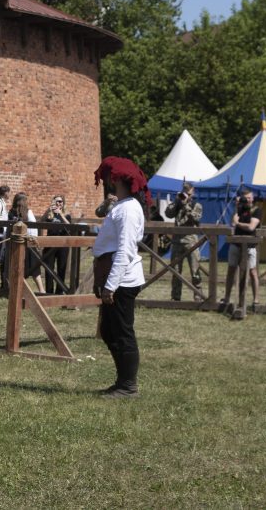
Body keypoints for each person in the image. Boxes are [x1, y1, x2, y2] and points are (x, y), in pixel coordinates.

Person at [92, 156, 149, 399]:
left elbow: (125, 250)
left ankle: (128, 386)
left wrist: (111, 286)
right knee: (109, 330)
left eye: (107, 177)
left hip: (122, 281)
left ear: (116, 179)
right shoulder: (123, 206)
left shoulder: (127, 210)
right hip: (115, 278)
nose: (105, 181)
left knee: (122, 332)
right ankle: (122, 382)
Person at [221, 188, 261, 317]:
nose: (247, 200)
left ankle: (256, 300)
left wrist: (238, 223)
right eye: (245, 198)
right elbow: (233, 222)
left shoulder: (257, 210)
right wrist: (237, 207)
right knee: (231, 270)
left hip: (249, 246)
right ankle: (226, 298)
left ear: (253, 198)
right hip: (236, 244)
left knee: (252, 271)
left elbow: (251, 227)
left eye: (249, 198)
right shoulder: (238, 209)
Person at [164, 182, 203, 301]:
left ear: (193, 192)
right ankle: (175, 297)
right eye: (185, 194)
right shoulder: (177, 203)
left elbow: (196, 218)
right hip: (176, 241)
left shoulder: (197, 205)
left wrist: (186, 205)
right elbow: (168, 214)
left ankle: (198, 296)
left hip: (191, 241)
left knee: (195, 270)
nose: (187, 196)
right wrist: (176, 202)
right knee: (176, 271)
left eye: (189, 194)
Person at [8, 192, 45, 293]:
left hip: (23, 244)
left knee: (31, 270)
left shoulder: (17, 213)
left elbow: (33, 229)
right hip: (24, 244)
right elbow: (33, 231)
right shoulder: (14, 213)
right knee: (26, 270)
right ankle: (34, 291)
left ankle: (39, 291)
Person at [41, 195, 71, 294]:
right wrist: (47, 211)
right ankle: (49, 292)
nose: (58, 203)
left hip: (62, 245)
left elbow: (70, 227)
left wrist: (61, 214)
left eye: (60, 202)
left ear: (63, 203)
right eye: (57, 201)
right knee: (49, 268)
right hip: (50, 244)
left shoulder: (67, 215)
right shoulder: (50, 214)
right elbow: (41, 222)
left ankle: (59, 291)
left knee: (61, 268)